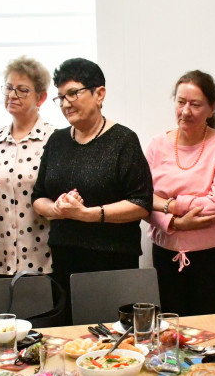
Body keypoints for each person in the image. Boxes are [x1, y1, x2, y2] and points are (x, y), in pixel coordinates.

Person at [31, 58, 152, 323]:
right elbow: (38, 196)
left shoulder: (123, 140)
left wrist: (88, 214)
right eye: (60, 97)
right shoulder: (57, 140)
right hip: (64, 260)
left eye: (73, 93)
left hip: (112, 262)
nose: (65, 103)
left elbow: (142, 203)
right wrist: (56, 209)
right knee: (69, 342)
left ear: (99, 94)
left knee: (113, 347)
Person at [145, 70, 215, 314]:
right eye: (181, 102)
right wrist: (174, 218)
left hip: (212, 256)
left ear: (211, 108)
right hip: (165, 252)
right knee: (169, 328)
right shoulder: (157, 144)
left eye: (195, 104)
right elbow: (142, 199)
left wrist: (168, 204)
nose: (186, 111)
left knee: (206, 331)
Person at [0, 56, 54, 277]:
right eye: (9, 88)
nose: (12, 95)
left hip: (42, 263)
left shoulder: (55, 140)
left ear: (41, 97)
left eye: (22, 90)